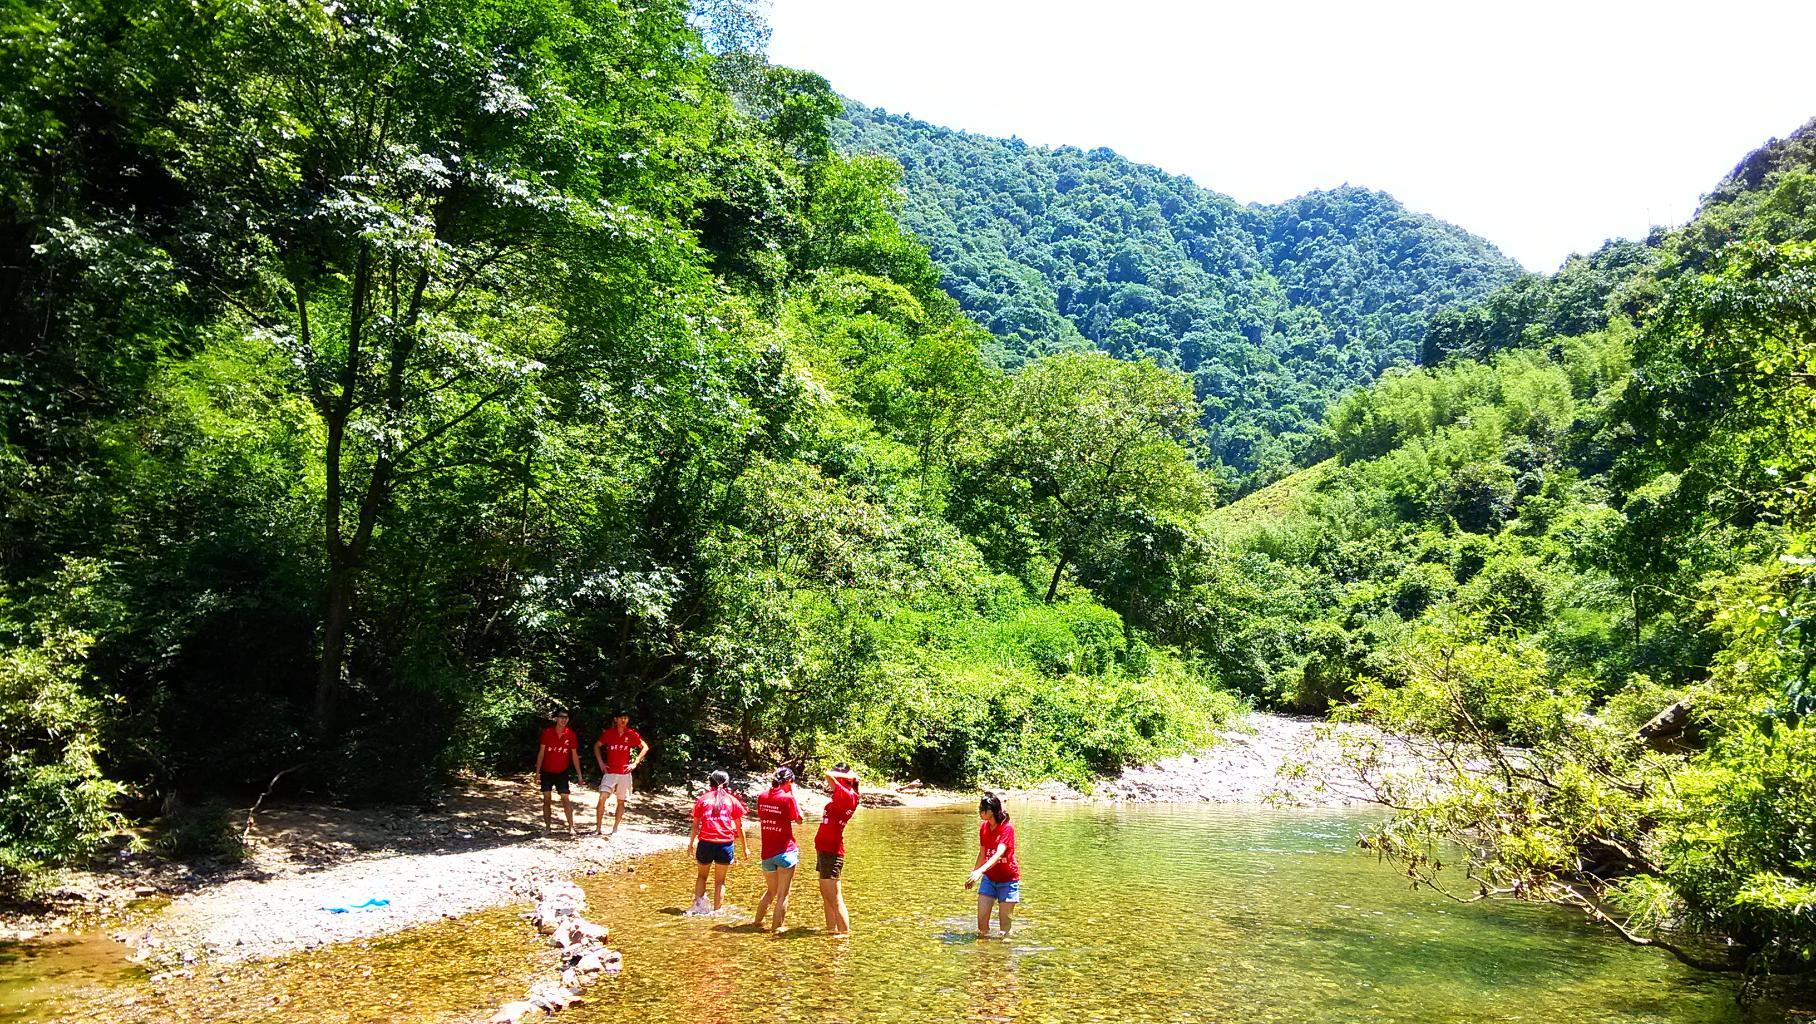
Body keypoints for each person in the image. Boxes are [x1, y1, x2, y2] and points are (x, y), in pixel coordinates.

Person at [687, 770, 749, 913]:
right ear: (727, 784)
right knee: (720, 882)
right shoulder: (732, 800)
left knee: (702, 876)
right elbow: (739, 827)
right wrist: (745, 848)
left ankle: (698, 908)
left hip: (705, 843)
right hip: (725, 844)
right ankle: (716, 912)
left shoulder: (703, 799)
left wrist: (690, 845)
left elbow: (695, 825)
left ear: (710, 783)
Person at [751, 767, 803, 932]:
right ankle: (776, 931)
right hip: (786, 852)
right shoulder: (788, 798)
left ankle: (756, 923)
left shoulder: (762, 796)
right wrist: (794, 795)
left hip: (767, 853)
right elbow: (800, 819)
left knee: (771, 892)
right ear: (789, 782)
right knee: (782, 895)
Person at [965, 792, 1020, 938]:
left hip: (1008, 881)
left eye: (981, 809)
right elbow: (982, 854)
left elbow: (998, 854)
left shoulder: (1007, 828)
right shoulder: (984, 828)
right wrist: (974, 874)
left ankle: (1005, 951)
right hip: (989, 879)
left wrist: (979, 872)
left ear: (990, 811)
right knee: (981, 926)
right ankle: (983, 950)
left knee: (1004, 930)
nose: (979, 811)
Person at [814, 764, 860, 936]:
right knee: (827, 895)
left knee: (834, 897)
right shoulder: (847, 794)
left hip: (831, 850)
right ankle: (831, 931)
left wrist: (848, 775)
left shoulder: (847, 794)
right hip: (825, 849)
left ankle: (843, 935)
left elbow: (827, 775)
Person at [592, 710, 649, 837]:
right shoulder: (609, 733)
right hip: (610, 772)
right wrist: (601, 763)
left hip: (624, 773)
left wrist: (635, 762)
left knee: (621, 801)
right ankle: (598, 828)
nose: (623, 720)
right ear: (615, 719)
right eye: (621, 718)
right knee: (602, 798)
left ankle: (615, 829)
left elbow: (645, 747)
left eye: (626, 718)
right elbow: (597, 746)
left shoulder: (631, 733)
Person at [535, 709, 584, 836]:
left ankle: (571, 827)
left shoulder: (570, 734)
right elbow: (541, 753)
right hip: (546, 770)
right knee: (547, 798)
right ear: (556, 719)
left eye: (566, 717)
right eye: (561, 717)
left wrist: (579, 775)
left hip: (562, 771)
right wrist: (537, 772)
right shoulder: (547, 732)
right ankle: (547, 828)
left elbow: (574, 755)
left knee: (565, 798)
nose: (564, 720)